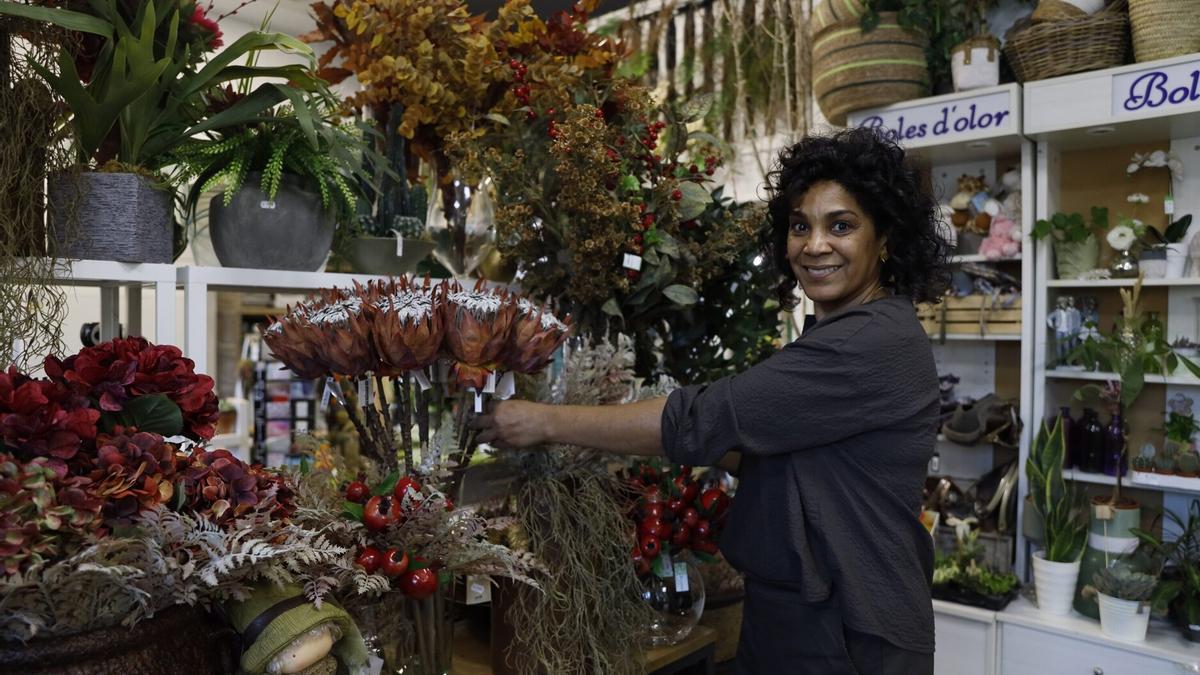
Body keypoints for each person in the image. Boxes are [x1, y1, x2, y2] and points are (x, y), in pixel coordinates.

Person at [472, 127, 950, 674]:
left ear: (885, 238)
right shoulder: (843, 332)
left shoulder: (869, 341)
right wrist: (626, 420)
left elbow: (701, 420)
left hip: (850, 627)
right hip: (799, 615)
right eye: (800, 226)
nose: (814, 245)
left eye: (841, 225)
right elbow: (767, 454)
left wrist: (541, 421)